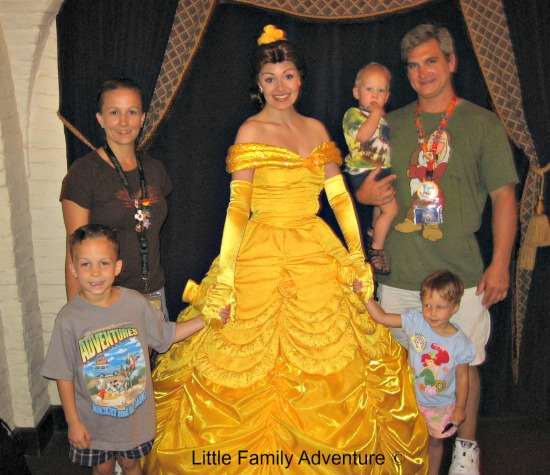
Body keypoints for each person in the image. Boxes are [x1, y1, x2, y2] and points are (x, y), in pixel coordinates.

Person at [144, 24, 428, 474]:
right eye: (271, 78)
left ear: (301, 78)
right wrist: (229, 279)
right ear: (258, 84)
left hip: (315, 248)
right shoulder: (250, 130)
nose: (281, 86)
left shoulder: (316, 129)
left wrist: (356, 256)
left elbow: (338, 198)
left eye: (289, 75)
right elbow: (238, 210)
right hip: (260, 248)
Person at [356, 24, 518, 474]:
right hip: (401, 278)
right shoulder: (390, 123)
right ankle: (411, 461)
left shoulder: (482, 123)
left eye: (431, 61)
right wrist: (365, 195)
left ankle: (465, 456)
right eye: (412, 65)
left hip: (462, 279)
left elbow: (505, 197)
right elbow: (365, 184)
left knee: (464, 368)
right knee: (408, 377)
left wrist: (501, 262)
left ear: (451, 62)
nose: (421, 72)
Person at [41, 224, 228, 475]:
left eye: (104, 263)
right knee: (103, 467)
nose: (95, 273)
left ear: (117, 267)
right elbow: (63, 374)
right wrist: (73, 421)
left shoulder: (135, 304)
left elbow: (167, 335)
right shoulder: (68, 319)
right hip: (94, 422)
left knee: (131, 465)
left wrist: (206, 318)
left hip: (134, 421)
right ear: (73, 269)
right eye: (86, 264)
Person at [60, 78, 172, 318]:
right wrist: (78, 316)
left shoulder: (155, 169)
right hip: (107, 300)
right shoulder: (83, 174)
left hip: (153, 295)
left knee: (153, 357)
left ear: (142, 118)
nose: (123, 122)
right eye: (114, 112)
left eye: (131, 112)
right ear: (100, 118)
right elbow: (74, 249)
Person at [364, 271, 474, 475]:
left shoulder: (460, 343)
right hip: (411, 400)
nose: (432, 312)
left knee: (434, 443)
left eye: (440, 307)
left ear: (454, 308)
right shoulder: (416, 321)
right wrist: (365, 296)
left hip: (440, 405)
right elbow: (382, 317)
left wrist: (460, 407)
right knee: (408, 441)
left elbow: (463, 377)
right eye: (427, 305)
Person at [342, 62, 398, 274]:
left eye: (380, 91)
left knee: (381, 207)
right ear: (357, 92)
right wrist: (375, 115)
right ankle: (376, 249)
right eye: (369, 89)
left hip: (380, 169)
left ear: (387, 96)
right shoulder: (353, 115)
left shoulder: (384, 120)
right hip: (363, 170)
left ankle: (374, 231)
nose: (375, 96)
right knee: (391, 210)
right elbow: (363, 137)